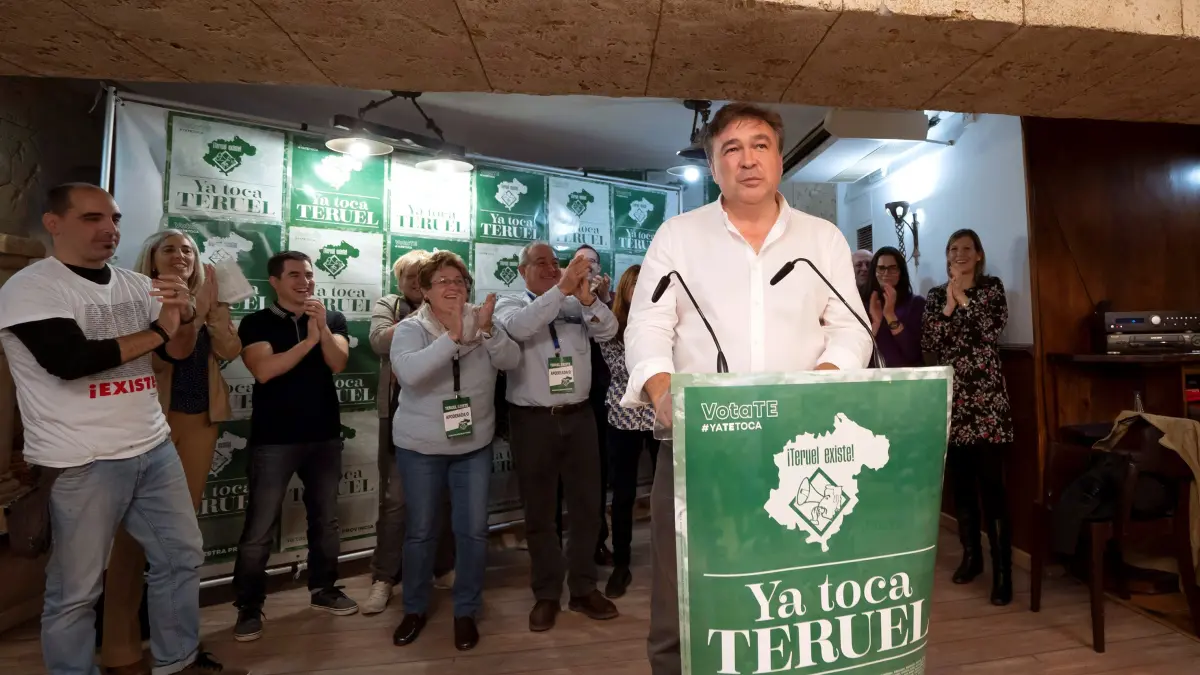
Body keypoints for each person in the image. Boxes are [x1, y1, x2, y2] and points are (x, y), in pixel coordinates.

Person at [622, 103, 872, 675]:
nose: (747, 159)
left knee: (792, 592)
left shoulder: (823, 238)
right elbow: (648, 325)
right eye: (730, 149)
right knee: (682, 600)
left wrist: (818, 387)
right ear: (713, 167)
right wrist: (662, 392)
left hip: (804, 448)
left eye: (760, 145)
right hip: (698, 447)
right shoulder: (678, 236)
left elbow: (850, 329)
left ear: (780, 159)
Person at [0, 183, 245, 675]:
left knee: (181, 558)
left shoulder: (136, 285)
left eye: (114, 219)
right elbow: (71, 361)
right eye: (92, 218)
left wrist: (184, 315)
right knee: (75, 590)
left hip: (153, 448)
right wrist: (159, 329)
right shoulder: (31, 287)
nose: (108, 229)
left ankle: (178, 662)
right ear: (54, 223)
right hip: (81, 459)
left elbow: (175, 352)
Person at [100, 230, 243, 673]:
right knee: (133, 539)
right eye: (170, 249)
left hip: (200, 421)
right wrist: (191, 314)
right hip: (150, 424)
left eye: (188, 250)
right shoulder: (135, 295)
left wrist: (214, 310)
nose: (180, 256)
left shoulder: (208, 295)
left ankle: (177, 649)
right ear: (152, 256)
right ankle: (119, 648)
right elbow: (159, 360)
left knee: (179, 541)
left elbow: (231, 349)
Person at [388, 251, 520, 651]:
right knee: (422, 531)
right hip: (421, 448)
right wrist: (455, 338)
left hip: (473, 446)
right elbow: (410, 374)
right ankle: (414, 608)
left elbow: (511, 359)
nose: (452, 287)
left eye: (459, 280)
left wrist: (489, 331)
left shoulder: (483, 319)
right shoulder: (410, 328)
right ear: (425, 291)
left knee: (473, 531)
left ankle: (466, 610)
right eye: (442, 281)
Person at [231, 251, 358, 642]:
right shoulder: (256, 322)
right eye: (294, 275)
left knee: (325, 520)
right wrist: (310, 342)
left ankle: (324, 589)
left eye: (308, 274)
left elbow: (338, 363)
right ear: (275, 282)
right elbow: (265, 370)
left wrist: (321, 330)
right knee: (259, 527)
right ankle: (249, 606)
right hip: (274, 438)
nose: (305, 282)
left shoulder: (331, 318)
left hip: (324, 435)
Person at [494, 242, 620, 632]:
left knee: (587, 508)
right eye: (541, 262)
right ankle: (547, 593)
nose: (552, 268)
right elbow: (520, 328)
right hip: (533, 420)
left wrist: (588, 300)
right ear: (522, 270)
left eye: (555, 263)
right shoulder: (510, 304)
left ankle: (583, 588)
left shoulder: (573, 303)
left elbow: (609, 330)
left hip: (580, 416)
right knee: (540, 512)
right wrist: (562, 290)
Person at [920, 229, 1014, 606]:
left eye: (966, 248)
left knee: (993, 488)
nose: (959, 254)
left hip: (987, 403)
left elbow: (990, 332)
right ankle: (971, 558)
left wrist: (964, 300)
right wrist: (948, 304)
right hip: (954, 403)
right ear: (947, 255)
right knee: (962, 488)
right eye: (953, 249)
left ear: (978, 255)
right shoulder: (934, 297)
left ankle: (1004, 573)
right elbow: (930, 343)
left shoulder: (992, 290)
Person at [362, 249, 456, 615]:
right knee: (397, 501)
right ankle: (384, 577)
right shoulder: (390, 304)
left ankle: (442, 567)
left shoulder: (451, 306)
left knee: (444, 496)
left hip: (445, 414)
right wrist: (427, 312)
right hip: (400, 415)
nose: (416, 283)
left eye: (422, 276)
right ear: (399, 281)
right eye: (410, 277)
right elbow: (378, 341)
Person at [596, 264, 658, 599]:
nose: (639, 288)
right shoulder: (611, 325)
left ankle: (670, 557)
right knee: (623, 495)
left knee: (668, 491)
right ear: (624, 289)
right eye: (634, 283)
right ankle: (621, 563)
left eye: (644, 283)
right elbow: (623, 369)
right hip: (624, 417)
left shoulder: (665, 324)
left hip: (661, 416)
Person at [554, 244, 615, 566]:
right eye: (581, 260)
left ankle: (595, 542)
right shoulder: (557, 298)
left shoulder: (609, 302)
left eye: (593, 262)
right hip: (560, 397)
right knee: (555, 480)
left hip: (599, 400)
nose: (587, 266)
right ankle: (553, 547)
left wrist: (602, 301)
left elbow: (614, 337)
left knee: (595, 477)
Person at [866, 245, 926, 368]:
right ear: (874, 272)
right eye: (881, 268)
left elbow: (913, 353)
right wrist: (876, 323)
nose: (886, 273)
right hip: (872, 374)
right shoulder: (865, 303)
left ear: (900, 272)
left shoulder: (916, 303)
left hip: (906, 375)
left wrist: (890, 315)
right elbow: (859, 352)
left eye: (892, 268)